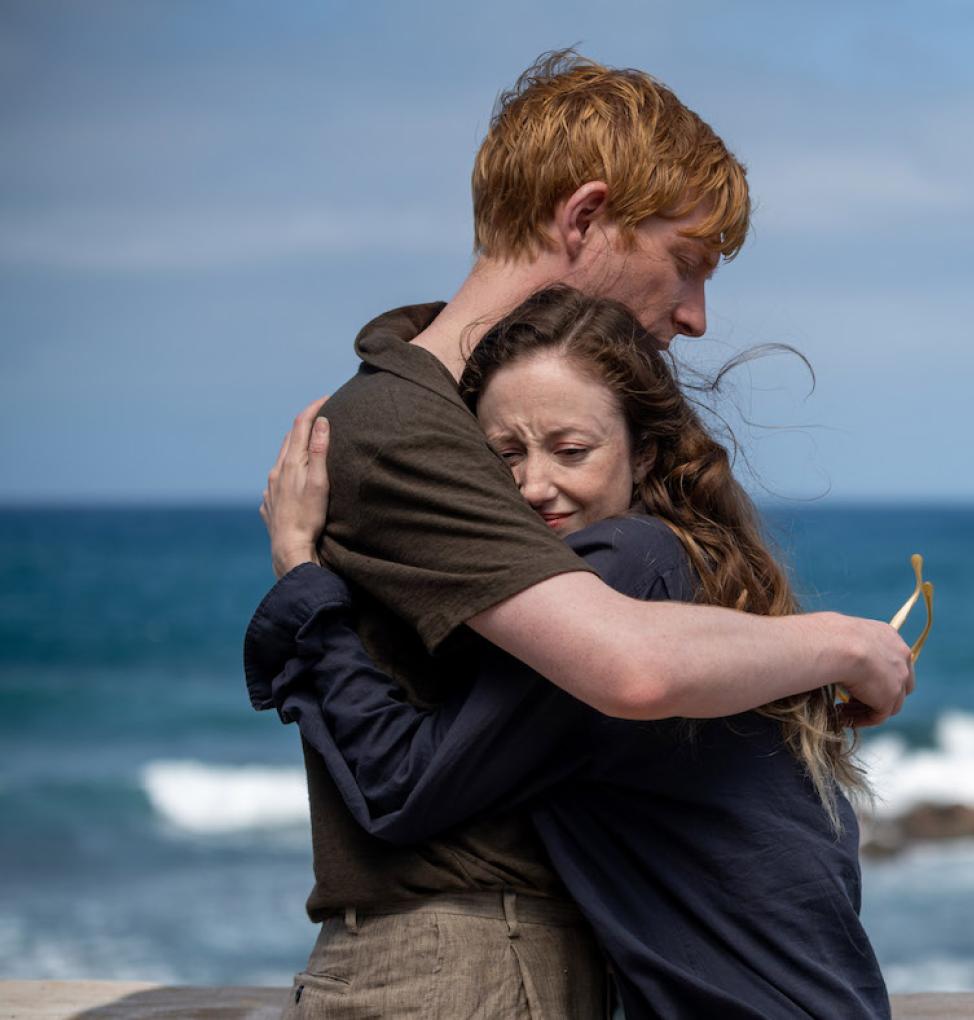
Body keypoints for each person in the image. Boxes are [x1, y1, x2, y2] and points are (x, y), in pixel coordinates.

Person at [260, 51, 912, 1017]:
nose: (694, 317)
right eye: (684, 265)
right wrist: (846, 644)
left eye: (567, 447)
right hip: (467, 959)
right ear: (583, 218)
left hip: (532, 950)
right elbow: (625, 666)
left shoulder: (484, 431)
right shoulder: (404, 427)